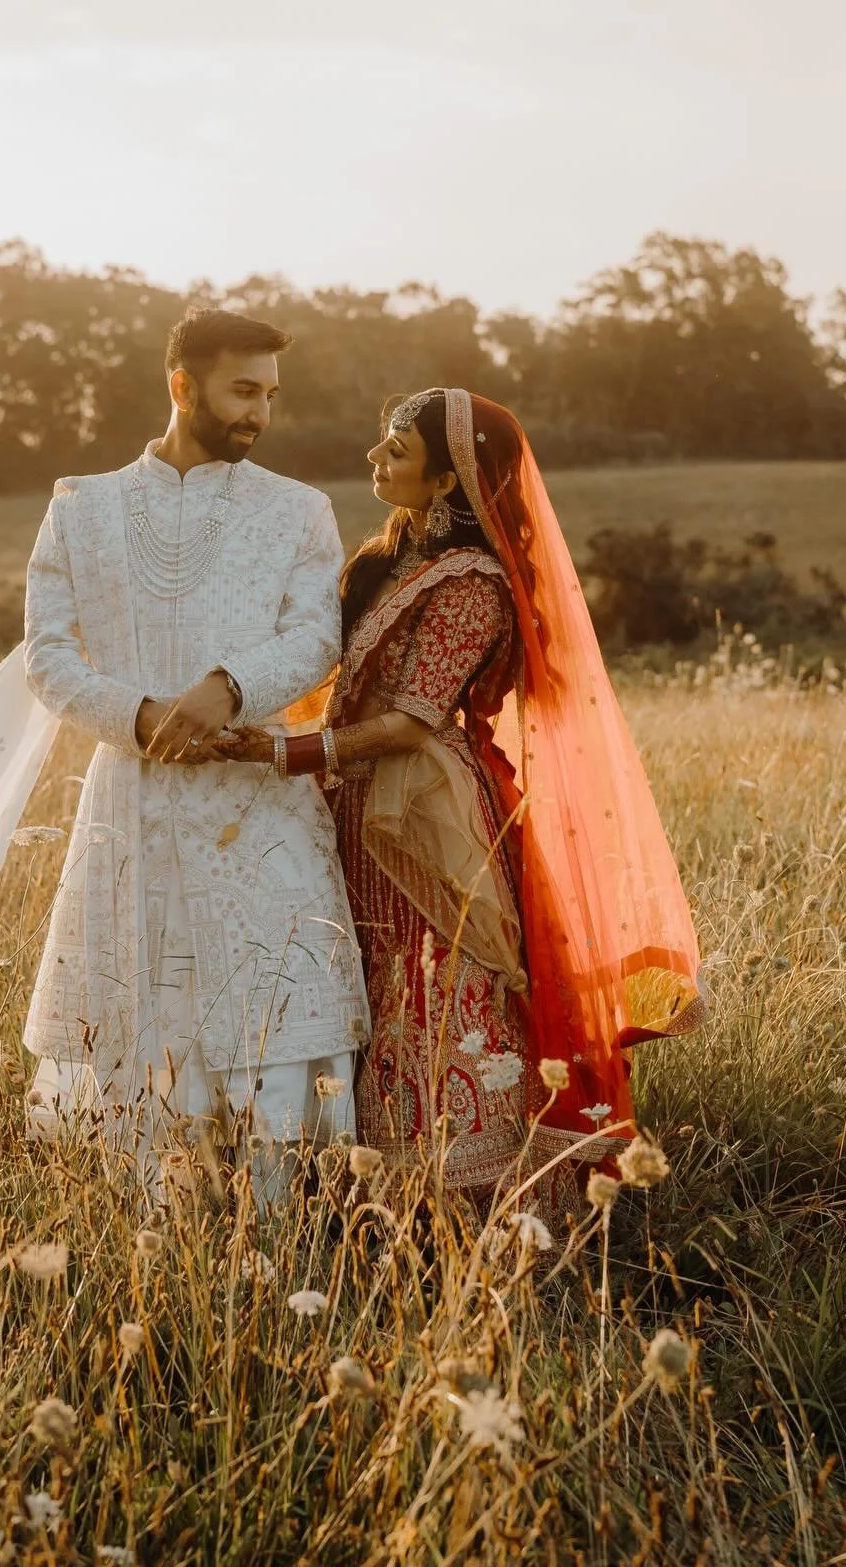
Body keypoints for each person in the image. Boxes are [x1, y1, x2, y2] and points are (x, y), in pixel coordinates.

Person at [0, 309, 367, 1207]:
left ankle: (284, 1226)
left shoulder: (300, 511)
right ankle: (156, 1231)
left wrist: (228, 687)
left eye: (270, 394)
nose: (260, 412)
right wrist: (138, 717)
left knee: (273, 1007)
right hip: (130, 798)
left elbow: (317, 635)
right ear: (182, 384)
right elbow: (47, 654)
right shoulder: (81, 507)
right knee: (139, 1013)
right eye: (243, 390)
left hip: (258, 798)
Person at [218, 387, 702, 1210]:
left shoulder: (472, 583)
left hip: (424, 812)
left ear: (447, 481)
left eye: (397, 450)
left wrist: (281, 751)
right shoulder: (392, 563)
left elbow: (410, 722)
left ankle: (463, 1204)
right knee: (367, 985)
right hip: (353, 804)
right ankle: (363, 1197)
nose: (376, 460)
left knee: (433, 988)